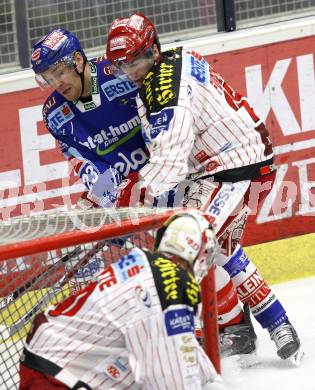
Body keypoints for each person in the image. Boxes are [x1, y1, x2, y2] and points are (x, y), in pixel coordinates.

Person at [106, 13, 302, 363]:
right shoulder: (175, 58)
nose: (130, 72)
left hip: (235, 166)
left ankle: (199, 337)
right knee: (220, 245)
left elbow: (169, 161)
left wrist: (133, 199)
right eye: (122, 66)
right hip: (229, 163)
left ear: (152, 50)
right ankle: (269, 324)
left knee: (184, 246)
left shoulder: (165, 90)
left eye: (134, 62)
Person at [19, 210, 227, 390]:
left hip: (50, 363)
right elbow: (172, 381)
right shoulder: (173, 283)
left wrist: (212, 380)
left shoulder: (144, 265)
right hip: (58, 376)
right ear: (199, 252)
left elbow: (183, 351)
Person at [30, 28, 152, 210]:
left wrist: (148, 176)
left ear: (78, 60)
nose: (56, 84)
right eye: (49, 79)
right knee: (86, 214)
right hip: (124, 189)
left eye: (59, 73)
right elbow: (91, 168)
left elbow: (166, 124)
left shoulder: (121, 73)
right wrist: (107, 196)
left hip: (167, 169)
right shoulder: (55, 115)